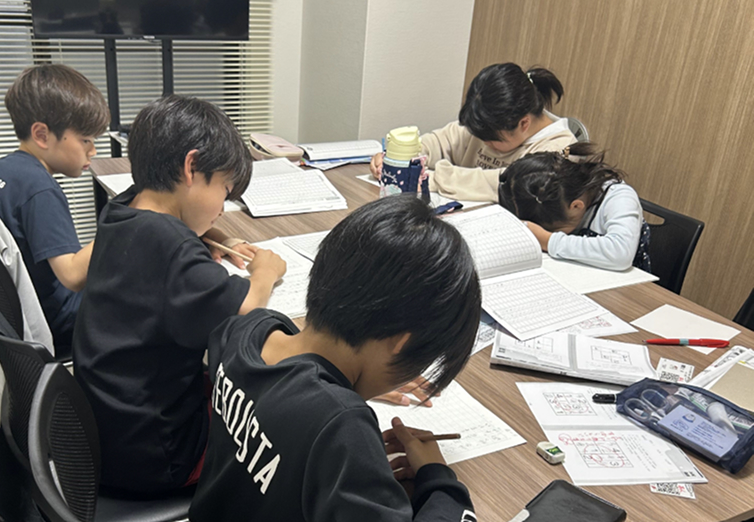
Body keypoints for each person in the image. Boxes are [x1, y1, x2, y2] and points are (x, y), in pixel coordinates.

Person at [190, 195, 481, 521]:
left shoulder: (247, 330)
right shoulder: (341, 427)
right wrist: (438, 479)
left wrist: (336, 393)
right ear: (401, 343)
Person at [72, 95, 286, 494]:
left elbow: (169, 238)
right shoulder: (174, 249)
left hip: (109, 425)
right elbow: (245, 308)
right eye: (225, 190)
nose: (222, 208)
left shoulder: (123, 209)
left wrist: (213, 235)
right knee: (273, 419)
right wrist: (267, 271)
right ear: (191, 167)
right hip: (156, 456)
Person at [0, 64, 110, 352]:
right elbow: (72, 276)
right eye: (85, 140)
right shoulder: (39, 189)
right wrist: (125, 222)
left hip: (1, 319)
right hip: (56, 321)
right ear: (42, 135)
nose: (93, 151)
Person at [370, 62, 576, 202]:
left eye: (492, 140)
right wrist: (401, 157)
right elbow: (441, 141)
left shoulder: (561, 151)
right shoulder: (488, 123)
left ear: (524, 123)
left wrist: (428, 179)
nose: (484, 143)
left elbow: (503, 183)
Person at [498, 142, 651, 271]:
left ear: (576, 206)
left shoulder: (619, 198)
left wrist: (547, 240)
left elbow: (620, 253)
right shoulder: (555, 195)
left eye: (554, 229)